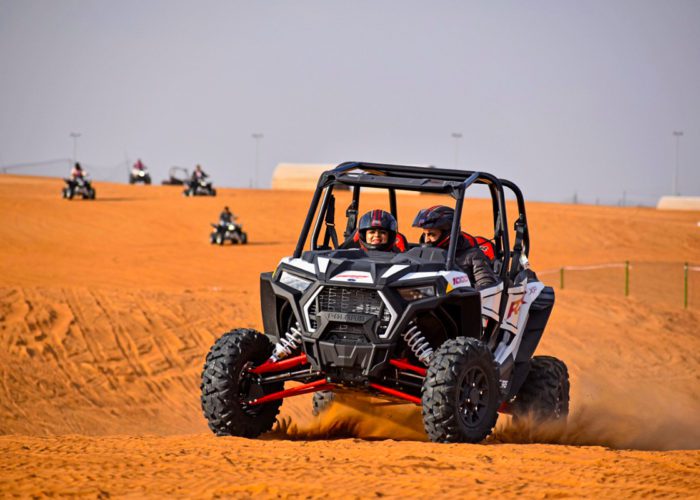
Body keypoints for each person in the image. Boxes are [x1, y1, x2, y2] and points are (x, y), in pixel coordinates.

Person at [412, 205, 497, 288]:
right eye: (424, 234)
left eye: (431, 234)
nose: (426, 240)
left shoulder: (473, 256)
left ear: (447, 234)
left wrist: (462, 289)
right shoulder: (422, 254)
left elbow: (487, 286)